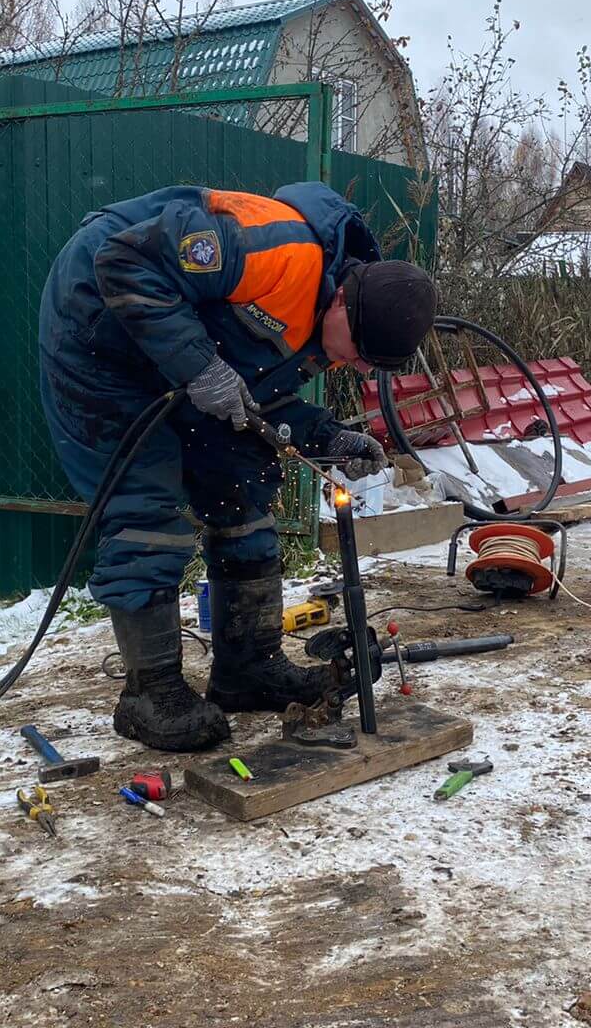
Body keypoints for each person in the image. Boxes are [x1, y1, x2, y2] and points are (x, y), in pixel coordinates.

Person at [38, 182, 438, 752]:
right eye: (357, 350)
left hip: (175, 350)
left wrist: (326, 433)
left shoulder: (329, 317)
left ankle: (247, 668)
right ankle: (150, 693)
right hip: (98, 330)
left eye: (366, 362)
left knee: (241, 484)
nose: (350, 364)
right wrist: (200, 367)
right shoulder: (275, 251)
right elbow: (123, 259)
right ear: (346, 300)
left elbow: (257, 395)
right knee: (142, 501)